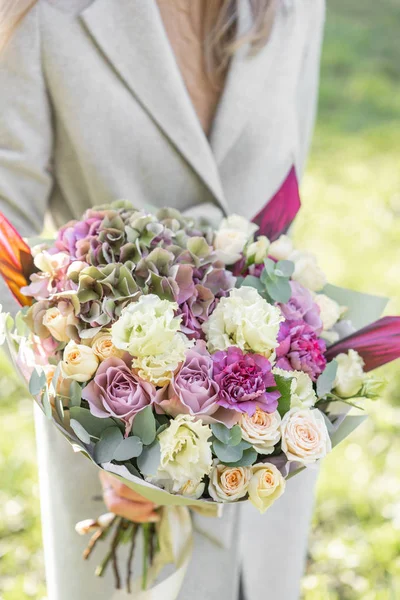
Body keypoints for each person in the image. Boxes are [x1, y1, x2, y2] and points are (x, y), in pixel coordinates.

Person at [0, 0, 325, 598]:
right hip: (109, 446)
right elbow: (6, 241)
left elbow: (284, 206)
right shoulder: (42, 13)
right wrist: (86, 413)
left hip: (266, 447)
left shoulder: (298, 8)